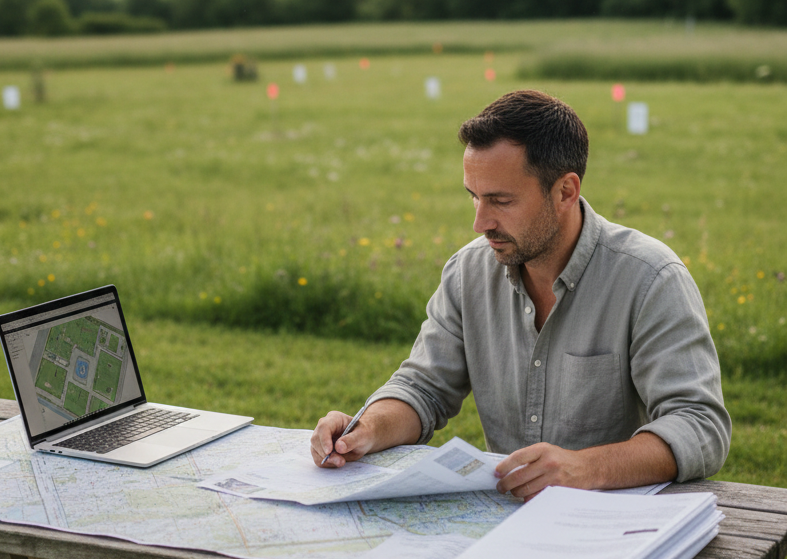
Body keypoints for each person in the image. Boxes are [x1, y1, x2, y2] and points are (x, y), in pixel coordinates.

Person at [311, 90, 731, 499]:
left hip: (617, 518)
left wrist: (584, 468)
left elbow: (699, 424)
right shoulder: (467, 272)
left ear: (565, 191)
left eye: (501, 201)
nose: (480, 223)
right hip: (507, 516)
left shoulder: (651, 279)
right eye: (474, 198)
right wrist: (367, 428)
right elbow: (424, 388)